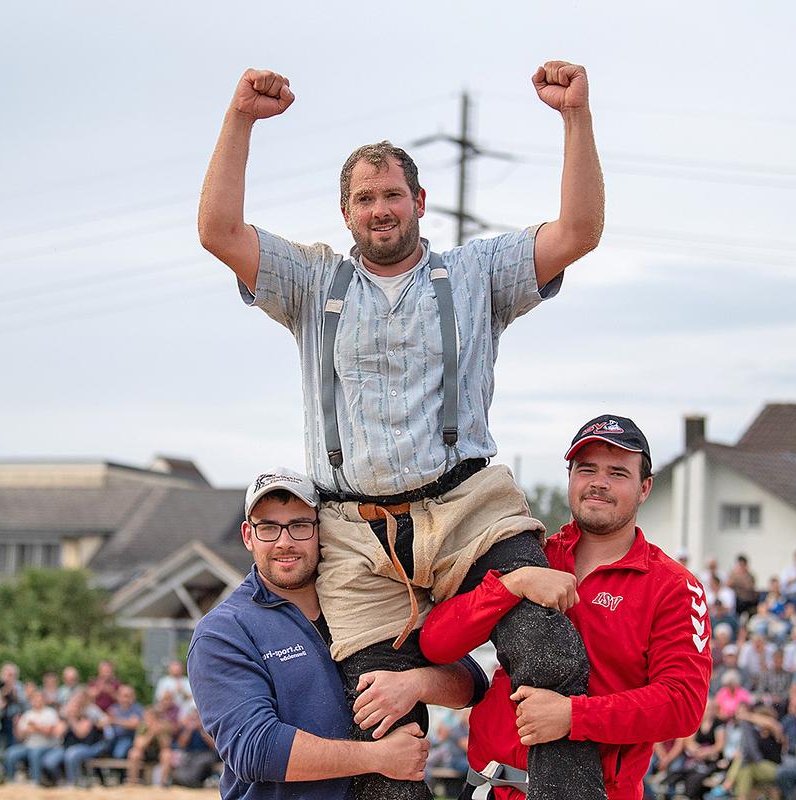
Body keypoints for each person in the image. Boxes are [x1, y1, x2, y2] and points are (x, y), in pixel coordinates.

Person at [197, 59, 606, 800]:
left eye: (392, 195)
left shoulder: (477, 273)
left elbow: (579, 231)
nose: (379, 209)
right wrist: (240, 117)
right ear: (346, 213)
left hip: (469, 511)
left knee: (549, 653)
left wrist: (575, 117)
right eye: (364, 199)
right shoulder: (313, 281)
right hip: (355, 529)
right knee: (378, 719)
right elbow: (218, 230)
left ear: (420, 201)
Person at [419, 414, 712, 799]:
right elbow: (436, 643)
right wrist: (513, 584)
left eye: (618, 473)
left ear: (645, 487)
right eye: (586, 468)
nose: (599, 483)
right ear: (570, 477)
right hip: (485, 786)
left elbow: (682, 705)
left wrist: (573, 716)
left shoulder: (674, 586)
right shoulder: (529, 554)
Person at [188, 468, 490, 800]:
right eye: (269, 528)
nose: (284, 542)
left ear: (322, 529)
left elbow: (473, 684)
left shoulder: (366, 595)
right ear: (248, 535)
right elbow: (256, 750)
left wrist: (416, 683)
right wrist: (379, 758)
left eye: (299, 526)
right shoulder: (224, 632)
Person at [2, 689, 62, 785]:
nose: (37, 701)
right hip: (28, 746)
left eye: (40, 699)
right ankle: (11, 779)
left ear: (44, 700)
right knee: (10, 753)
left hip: (47, 746)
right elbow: (20, 737)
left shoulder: (50, 713)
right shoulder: (27, 714)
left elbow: (50, 732)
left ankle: (36, 781)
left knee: (35, 753)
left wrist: (35, 727)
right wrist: (16, 726)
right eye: (35, 699)